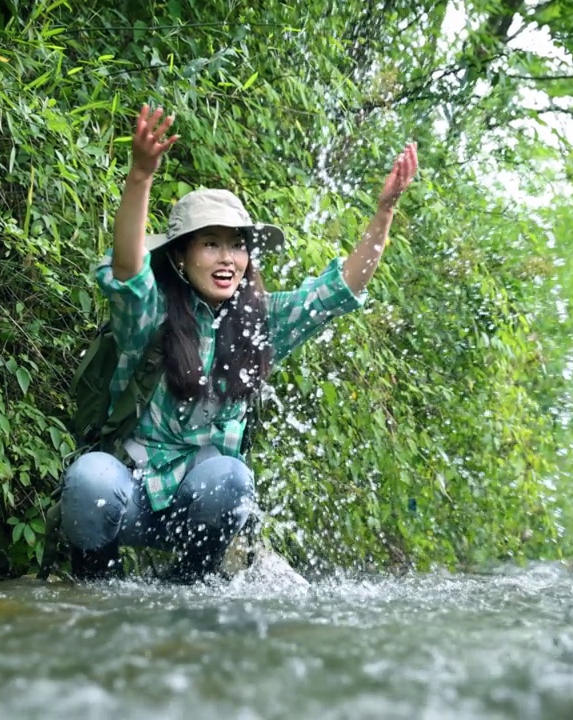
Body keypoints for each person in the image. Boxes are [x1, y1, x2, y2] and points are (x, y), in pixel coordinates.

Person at [58, 104, 418, 582]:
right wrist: (141, 175)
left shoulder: (258, 321)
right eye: (210, 244)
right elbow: (127, 272)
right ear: (182, 257)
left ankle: (191, 590)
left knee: (232, 478)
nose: (228, 258)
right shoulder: (151, 312)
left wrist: (385, 211)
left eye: (238, 245)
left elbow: (339, 290)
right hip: (129, 495)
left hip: (198, 505)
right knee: (89, 478)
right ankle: (94, 591)